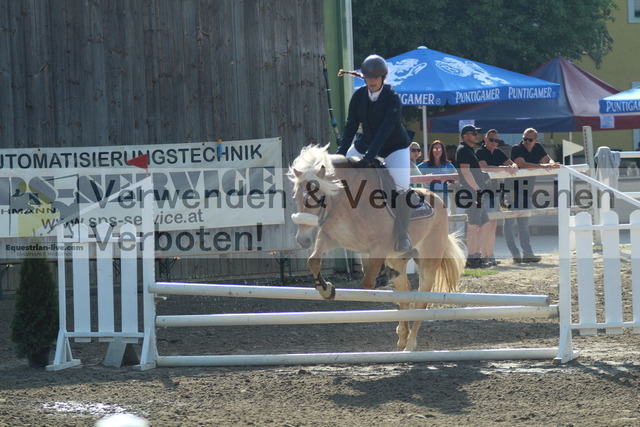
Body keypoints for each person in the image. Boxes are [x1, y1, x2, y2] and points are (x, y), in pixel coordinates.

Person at [336, 54, 413, 252]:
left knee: (401, 186)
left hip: (394, 147)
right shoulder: (358, 96)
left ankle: (402, 233)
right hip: (366, 143)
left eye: (375, 77)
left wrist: (369, 158)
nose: (371, 81)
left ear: (383, 77)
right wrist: (340, 155)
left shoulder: (392, 98)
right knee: (339, 173)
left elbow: (384, 130)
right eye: (368, 78)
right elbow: (351, 126)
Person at [503, 127, 559, 263]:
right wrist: (543, 166)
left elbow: (548, 160)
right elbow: (522, 164)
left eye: (529, 139)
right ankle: (515, 254)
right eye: (525, 139)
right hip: (511, 190)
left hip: (526, 191)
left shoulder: (538, 147)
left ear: (536, 140)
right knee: (509, 224)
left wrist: (551, 164)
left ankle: (528, 253)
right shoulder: (516, 148)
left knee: (524, 224)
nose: (526, 142)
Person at [475, 129, 518, 266]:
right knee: (484, 225)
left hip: (494, 193)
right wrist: (504, 168)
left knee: (493, 224)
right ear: (485, 140)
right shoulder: (479, 152)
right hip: (482, 193)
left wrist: (513, 166)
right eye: (491, 140)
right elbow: (484, 167)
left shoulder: (498, 152)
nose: (494, 142)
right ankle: (482, 255)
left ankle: (490, 255)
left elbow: (512, 163)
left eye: (496, 140)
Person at [455, 125, 492, 268]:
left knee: (485, 224)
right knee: (473, 225)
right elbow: (465, 172)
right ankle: (472, 258)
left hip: (475, 192)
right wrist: (477, 190)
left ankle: (476, 256)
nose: (476, 136)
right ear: (465, 135)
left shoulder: (468, 150)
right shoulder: (463, 150)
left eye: (476, 133)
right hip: (471, 193)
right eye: (473, 133)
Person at [418, 140, 456, 207]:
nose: (437, 151)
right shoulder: (425, 164)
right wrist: (423, 181)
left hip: (444, 196)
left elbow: (456, 176)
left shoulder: (447, 164)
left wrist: (450, 181)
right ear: (431, 151)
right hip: (429, 196)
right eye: (435, 149)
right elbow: (414, 172)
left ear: (443, 151)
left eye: (439, 149)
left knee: (445, 213)